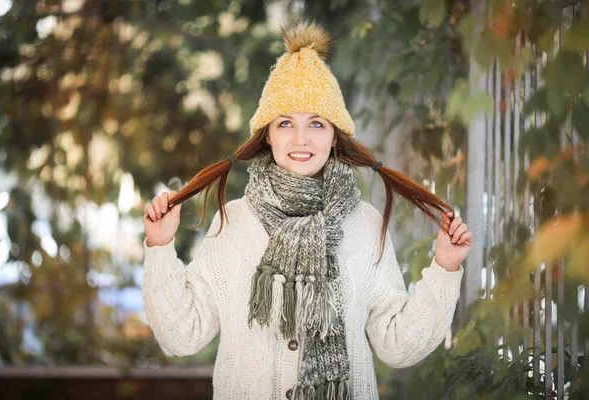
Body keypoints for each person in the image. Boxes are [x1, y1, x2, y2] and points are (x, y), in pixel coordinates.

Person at [142, 21, 472, 400]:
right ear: (268, 133)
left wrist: (445, 268)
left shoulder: (363, 224)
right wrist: (160, 247)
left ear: (334, 136)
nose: (301, 139)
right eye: (286, 123)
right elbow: (182, 334)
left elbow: (397, 344)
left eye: (316, 123)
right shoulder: (233, 223)